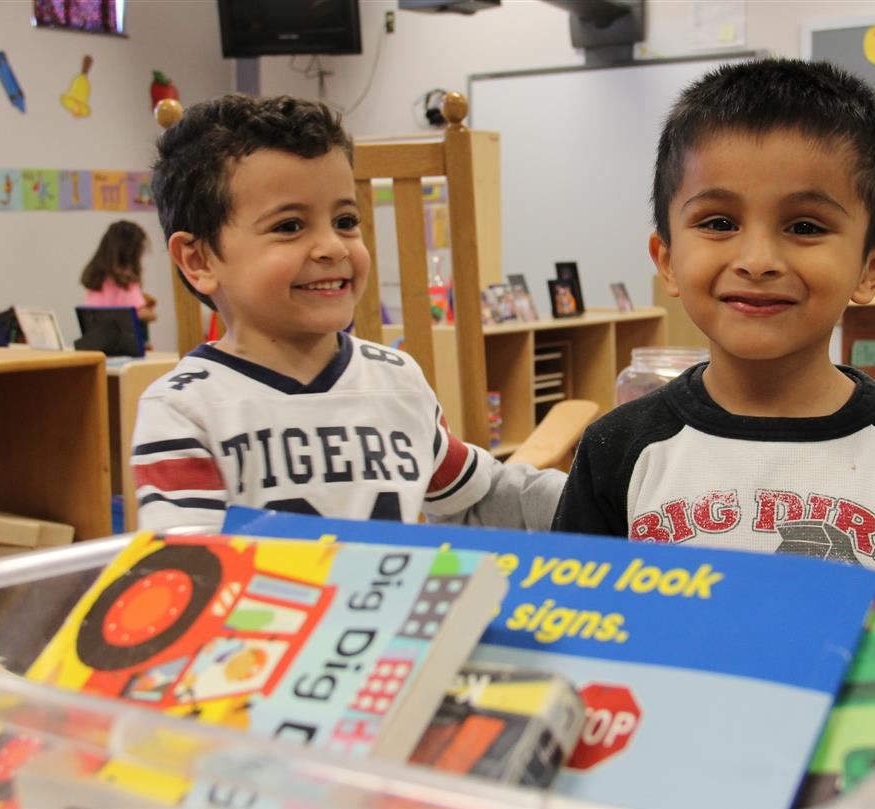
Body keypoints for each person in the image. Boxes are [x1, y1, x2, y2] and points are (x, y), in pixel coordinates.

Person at [552, 59, 875, 615]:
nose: (757, 261)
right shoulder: (618, 450)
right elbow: (571, 637)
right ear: (668, 260)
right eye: (718, 222)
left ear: (872, 267)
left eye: (805, 227)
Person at [134, 94, 561, 532]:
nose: (334, 247)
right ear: (199, 260)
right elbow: (189, 571)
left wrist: (606, 497)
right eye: (289, 226)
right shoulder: (184, 408)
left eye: (345, 221)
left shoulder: (397, 381)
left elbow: (479, 496)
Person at [80, 220, 158, 324]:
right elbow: (139, 313)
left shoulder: (96, 278)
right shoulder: (125, 281)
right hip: (122, 338)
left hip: (98, 337)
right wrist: (152, 315)